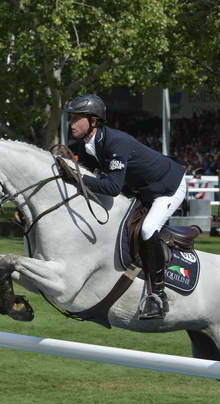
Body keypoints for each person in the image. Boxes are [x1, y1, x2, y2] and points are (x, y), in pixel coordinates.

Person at [63, 94, 187, 320]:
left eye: (75, 118)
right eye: (70, 118)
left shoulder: (115, 142)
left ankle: (157, 296)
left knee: (149, 229)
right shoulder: (86, 145)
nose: (71, 124)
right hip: (142, 189)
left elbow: (111, 187)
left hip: (168, 187)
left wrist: (76, 177)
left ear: (93, 121)